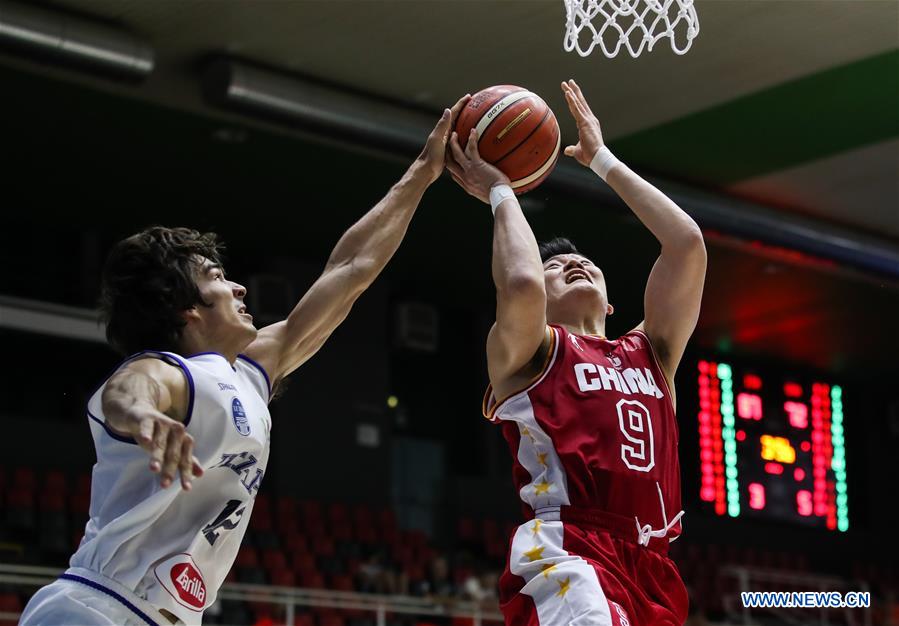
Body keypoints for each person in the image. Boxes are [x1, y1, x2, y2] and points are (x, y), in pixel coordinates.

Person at [20, 95, 470, 626]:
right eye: (215, 277)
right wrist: (143, 418)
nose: (236, 285)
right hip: (97, 607)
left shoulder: (253, 372)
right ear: (187, 307)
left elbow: (351, 268)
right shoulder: (171, 372)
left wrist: (422, 172)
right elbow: (128, 391)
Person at [446, 80, 706, 625]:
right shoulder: (532, 352)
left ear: (613, 305)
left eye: (585, 261)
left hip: (653, 566)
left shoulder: (652, 353)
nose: (573, 263)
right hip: (569, 551)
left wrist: (602, 159)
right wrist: (501, 192)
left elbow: (686, 244)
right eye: (556, 266)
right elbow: (520, 284)